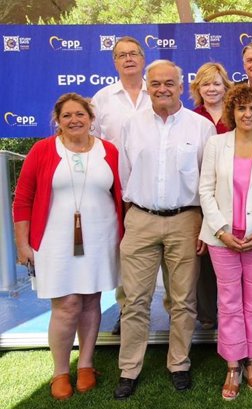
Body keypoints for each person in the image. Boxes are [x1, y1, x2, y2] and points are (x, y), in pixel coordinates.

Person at [114, 60, 216, 399]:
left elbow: (208, 179)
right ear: (147, 85)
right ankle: (129, 369)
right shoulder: (131, 126)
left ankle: (179, 363)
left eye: (168, 83)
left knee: (184, 300)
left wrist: (202, 223)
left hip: (186, 220)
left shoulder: (201, 127)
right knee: (134, 300)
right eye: (155, 83)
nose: (162, 89)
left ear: (180, 84)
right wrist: (134, 212)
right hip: (140, 219)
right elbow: (125, 174)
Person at [13, 93, 123, 400]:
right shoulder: (42, 150)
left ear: (91, 117)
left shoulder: (109, 151)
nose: (75, 120)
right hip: (55, 240)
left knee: (91, 301)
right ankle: (60, 371)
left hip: (101, 237)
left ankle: (86, 365)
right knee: (67, 304)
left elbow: (119, 194)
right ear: (57, 121)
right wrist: (23, 244)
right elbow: (22, 199)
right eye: (67, 116)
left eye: (80, 114)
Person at [199, 84, 252, 400]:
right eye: (241, 108)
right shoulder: (215, 144)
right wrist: (221, 231)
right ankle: (233, 365)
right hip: (221, 239)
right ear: (232, 112)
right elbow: (205, 191)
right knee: (229, 301)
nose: (247, 114)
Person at [91, 35, 150, 335]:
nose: (128, 58)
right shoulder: (102, 99)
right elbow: (90, 144)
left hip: (155, 190)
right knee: (125, 251)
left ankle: (165, 310)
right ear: (114, 62)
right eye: (121, 55)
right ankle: (126, 309)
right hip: (114, 189)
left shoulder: (158, 93)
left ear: (143, 59)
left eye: (133, 53)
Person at [190, 62, 233, 329]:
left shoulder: (236, 115)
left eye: (216, 83)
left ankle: (232, 311)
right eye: (206, 84)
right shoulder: (191, 118)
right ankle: (207, 313)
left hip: (232, 194)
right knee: (204, 252)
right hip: (201, 194)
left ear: (225, 86)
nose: (211, 88)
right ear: (198, 88)